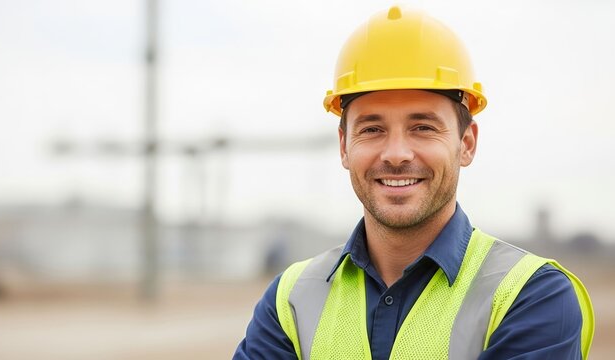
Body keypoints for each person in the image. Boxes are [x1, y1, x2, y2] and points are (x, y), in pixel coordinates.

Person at [233, 5, 594, 360]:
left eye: (422, 128)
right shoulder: (290, 300)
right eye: (372, 129)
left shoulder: (531, 295)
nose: (396, 154)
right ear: (344, 147)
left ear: (466, 144)